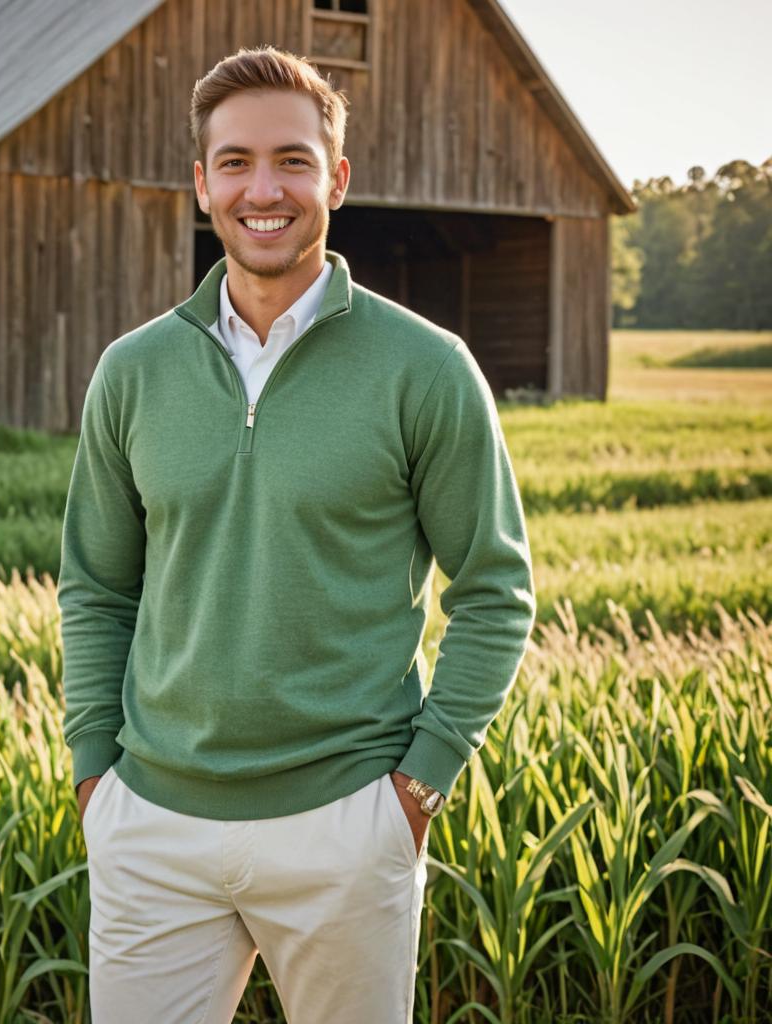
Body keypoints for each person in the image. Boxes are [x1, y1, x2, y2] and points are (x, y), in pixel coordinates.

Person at [58, 44, 535, 1024]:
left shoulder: (423, 367)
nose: (261, 189)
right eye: (234, 161)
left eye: (291, 160)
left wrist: (417, 784)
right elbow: (96, 584)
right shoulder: (131, 371)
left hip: (345, 820)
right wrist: (94, 774)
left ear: (337, 179)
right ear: (200, 182)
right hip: (150, 822)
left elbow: (493, 586)